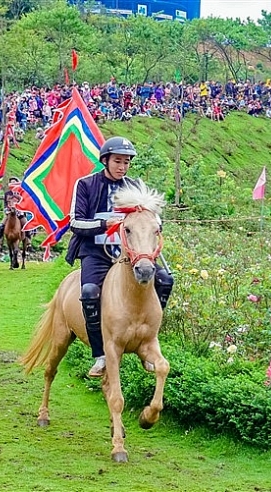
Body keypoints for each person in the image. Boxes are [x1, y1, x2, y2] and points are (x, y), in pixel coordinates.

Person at [65, 137, 175, 378]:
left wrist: (153, 224)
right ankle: (100, 354)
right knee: (90, 292)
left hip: (131, 253)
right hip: (96, 252)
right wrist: (105, 223)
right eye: (117, 161)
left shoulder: (135, 186)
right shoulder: (86, 185)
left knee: (166, 280)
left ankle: (148, 340)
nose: (122, 167)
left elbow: (154, 218)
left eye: (126, 162)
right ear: (105, 161)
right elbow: (75, 222)